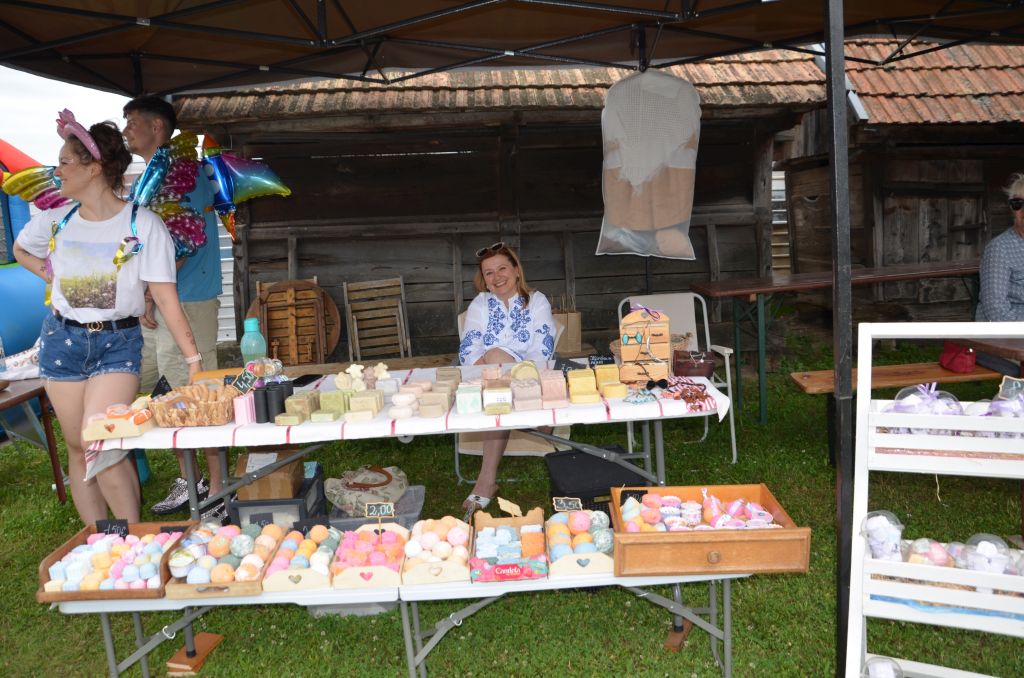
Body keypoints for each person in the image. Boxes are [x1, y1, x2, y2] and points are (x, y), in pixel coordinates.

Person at [13, 110, 202, 524]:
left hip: (117, 343)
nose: (57, 171)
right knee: (77, 446)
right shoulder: (55, 220)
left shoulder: (143, 224)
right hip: (62, 340)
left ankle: (132, 537)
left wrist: (193, 360)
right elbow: (20, 250)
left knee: (100, 439)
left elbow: (166, 298)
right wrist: (49, 273)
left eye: (65, 162)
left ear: (93, 168)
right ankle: (99, 541)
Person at [122, 95, 226, 517]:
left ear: (157, 127)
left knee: (198, 394)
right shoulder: (149, 175)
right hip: (162, 302)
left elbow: (185, 239)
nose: (125, 130)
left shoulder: (182, 171)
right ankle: (191, 478)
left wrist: (149, 293)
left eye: (132, 122)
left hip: (189, 298)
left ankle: (219, 489)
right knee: (166, 393)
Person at [458, 242, 556, 510]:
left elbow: (542, 347)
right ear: (484, 279)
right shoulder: (480, 304)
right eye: (489, 273)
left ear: (516, 270)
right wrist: (494, 372)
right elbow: (469, 347)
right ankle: (537, 419)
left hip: (530, 378)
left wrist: (514, 377)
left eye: (502, 268)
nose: (496, 277)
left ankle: (486, 481)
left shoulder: (537, 301)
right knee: (494, 365)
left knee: (496, 373)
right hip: (491, 379)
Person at [977, 173, 1024, 322]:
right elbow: (995, 310)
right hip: (1011, 330)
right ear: (1012, 208)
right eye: (1018, 204)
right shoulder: (999, 248)